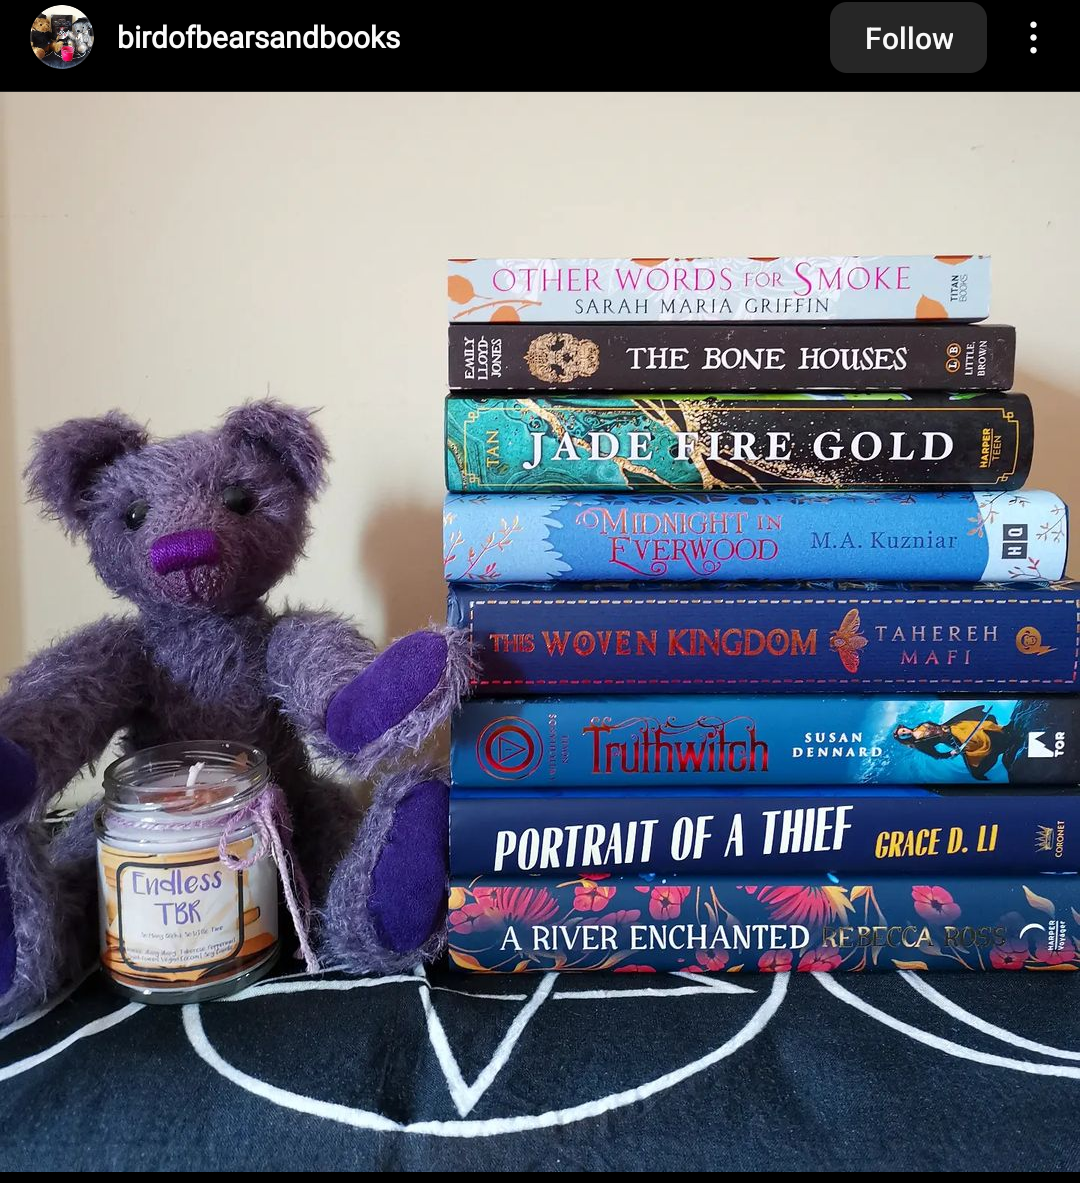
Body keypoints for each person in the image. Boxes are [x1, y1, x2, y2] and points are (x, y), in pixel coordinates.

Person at [893, 706, 1005, 779]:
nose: (905, 733)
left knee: (985, 725)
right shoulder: (918, 744)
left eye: (903, 731)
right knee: (981, 740)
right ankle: (1002, 744)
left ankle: (1003, 732)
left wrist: (945, 727)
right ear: (903, 739)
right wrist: (950, 753)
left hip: (955, 727)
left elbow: (938, 726)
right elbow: (936, 755)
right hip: (953, 738)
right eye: (903, 735)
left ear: (904, 727)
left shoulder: (920, 725)